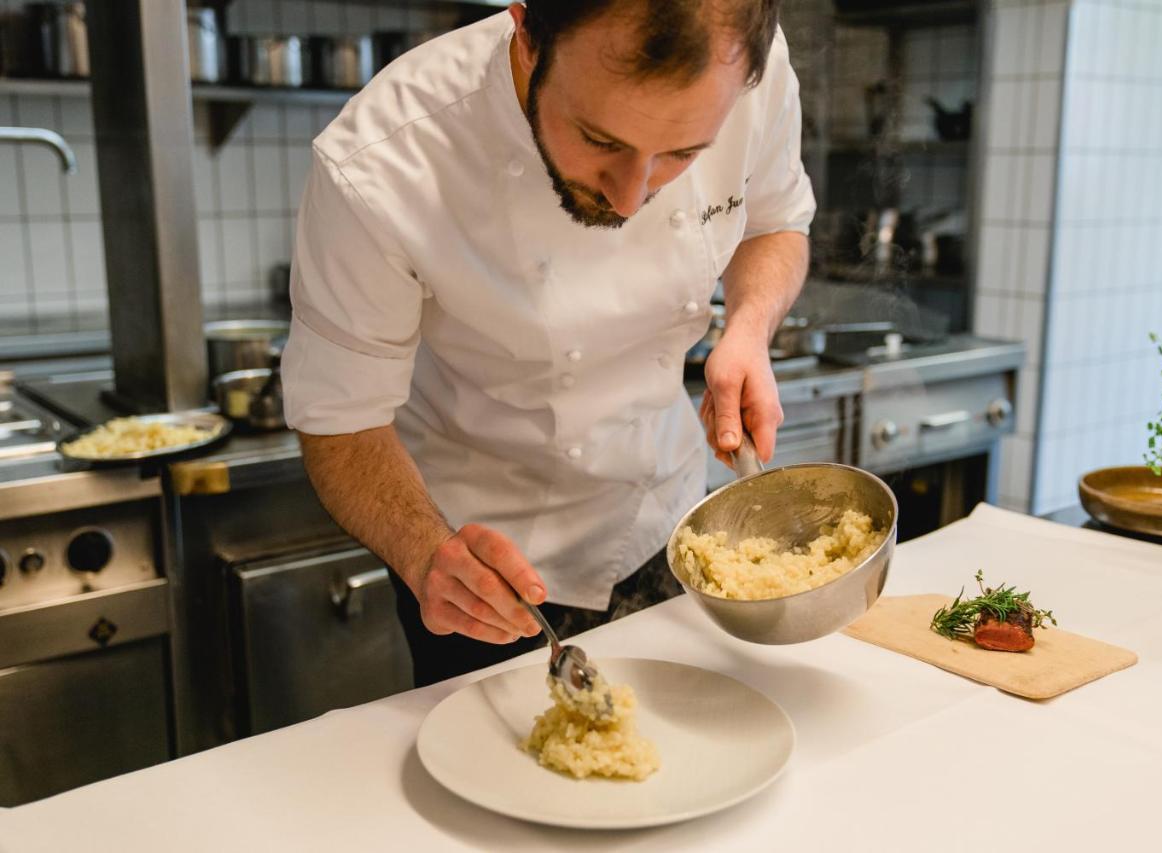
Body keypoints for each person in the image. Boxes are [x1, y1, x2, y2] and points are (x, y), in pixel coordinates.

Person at [281, 0, 815, 686]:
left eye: (682, 154)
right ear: (527, 33)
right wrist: (425, 555)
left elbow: (776, 221)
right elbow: (341, 420)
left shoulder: (749, 72)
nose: (630, 199)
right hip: (486, 570)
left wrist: (747, 327)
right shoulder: (382, 162)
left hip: (670, 522)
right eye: (600, 140)